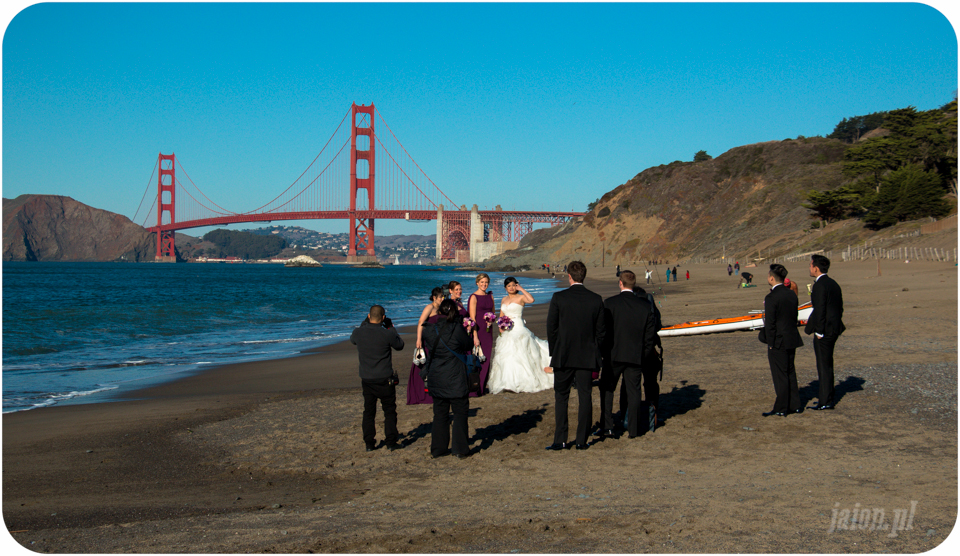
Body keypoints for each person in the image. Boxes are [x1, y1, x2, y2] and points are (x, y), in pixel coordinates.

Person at [545, 261, 605, 451]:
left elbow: (551, 328)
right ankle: (581, 440)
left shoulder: (559, 298)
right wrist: (597, 353)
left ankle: (560, 440)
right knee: (585, 397)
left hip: (564, 355)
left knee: (561, 397)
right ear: (583, 276)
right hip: (587, 356)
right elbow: (601, 332)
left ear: (569, 276)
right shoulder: (596, 299)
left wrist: (554, 352)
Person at [597, 270, 659, 439]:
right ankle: (633, 429)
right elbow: (649, 336)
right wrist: (643, 354)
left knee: (608, 390)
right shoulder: (645, 306)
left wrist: (603, 352)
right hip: (634, 356)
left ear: (620, 283)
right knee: (634, 393)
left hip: (613, 355)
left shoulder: (610, 303)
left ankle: (608, 426)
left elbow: (603, 331)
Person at [420, 299, 473, 459]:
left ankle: (438, 449)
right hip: (455, 376)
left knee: (440, 414)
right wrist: (467, 331)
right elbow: (468, 345)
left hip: (437, 376)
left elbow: (428, 344)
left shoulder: (429, 329)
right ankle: (460, 449)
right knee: (460, 413)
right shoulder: (456, 328)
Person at [350, 305, 405, 452]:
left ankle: (369, 443)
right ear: (382, 318)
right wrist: (391, 327)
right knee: (389, 411)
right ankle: (391, 442)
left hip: (367, 378)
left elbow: (353, 339)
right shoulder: (386, 333)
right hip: (384, 378)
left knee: (369, 411)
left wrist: (366, 321)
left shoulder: (359, 332)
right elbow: (400, 345)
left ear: (368, 317)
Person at [488, 277, 553, 394]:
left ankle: (522, 381)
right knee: (507, 355)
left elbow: (531, 300)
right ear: (505, 288)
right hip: (507, 329)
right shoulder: (504, 299)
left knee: (521, 354)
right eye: (509, 286)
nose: (511, 288)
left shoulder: (521, 297)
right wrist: (500, 326)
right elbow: (502, 314)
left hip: (518, 327)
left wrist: (521, 289)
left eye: (513, 285)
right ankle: (508, 382)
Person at [761, 265, 803, 417]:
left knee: (780, 375)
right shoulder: (791, 294)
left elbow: (770, 323)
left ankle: (781, 407)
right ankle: (795, 404)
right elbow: (794, 316)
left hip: (778, 340)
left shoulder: (771, 297)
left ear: (772, 278)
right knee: (790, 371)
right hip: (791, 337)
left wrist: (771, 343)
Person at [805, 254, 845, 410]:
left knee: (823, 365)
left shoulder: (820, 285)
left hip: (825, 330)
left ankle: (825, 400)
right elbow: (839, 307)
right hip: (834, 328)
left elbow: (820, 309)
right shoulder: (833, 283)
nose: (809, 268)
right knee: (826, 364)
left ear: (816, 268)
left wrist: (819, 331)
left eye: (810, 265)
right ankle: (826, 396)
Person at [407, 287, 445, 405]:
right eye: (440, 297)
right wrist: (418, 339)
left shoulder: (441, 308)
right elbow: (421, 323)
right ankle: (421, 392)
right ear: (434, 298)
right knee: (425, 365)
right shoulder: (429, 307)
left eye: (443, 296)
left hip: (437, 341)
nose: (442, 298)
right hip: (427, 340)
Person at [468, 273, 495, 396]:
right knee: (477, 359)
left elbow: (493, 313)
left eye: (486, 282)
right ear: (477, 283)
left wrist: (491, 321)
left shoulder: (490, 296)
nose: (484, 284)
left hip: (488, 331)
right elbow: (472, 318)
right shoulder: (473, 297)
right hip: (477, 331)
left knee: (487, 359)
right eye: (482, 282)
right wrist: (475, 336)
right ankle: (474, 388)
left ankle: (482, 387)